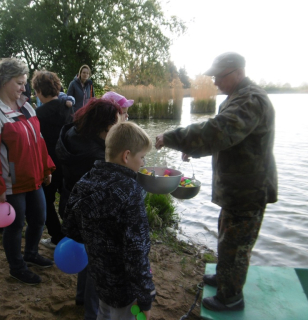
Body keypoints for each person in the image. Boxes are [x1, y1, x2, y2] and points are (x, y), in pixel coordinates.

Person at [155, 52, 278, 312]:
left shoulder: (250, 100)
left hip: (249, 190)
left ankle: (231, 297)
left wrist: (172, 137)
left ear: (236, 72)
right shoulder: (237, 97)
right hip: (237, 188)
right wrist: (196, 149)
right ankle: (224, 278)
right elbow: (227, 140)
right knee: (227, 236)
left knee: (236, 246)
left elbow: (219, 130)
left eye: (218, 77)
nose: (214, 83)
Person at [0, 58, 56, 285]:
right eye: (19, 83)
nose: (23, 87)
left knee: (40, 217)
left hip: (34, 178)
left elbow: (39, 141)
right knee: (15, 225)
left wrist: (46, 167)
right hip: (10, 184)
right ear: (3, 81)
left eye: (24, 83)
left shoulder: (26, 106)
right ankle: (16, 267)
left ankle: (30, 254)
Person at [62, 121, 156, 320]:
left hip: (99, 279)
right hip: (125, 290)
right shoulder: (131, 192)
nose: (143, 163)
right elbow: (137, 250)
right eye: (142, 157)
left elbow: (70, 227)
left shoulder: (86, 180)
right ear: (127, 155)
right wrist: (145, 296)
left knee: (103, 314)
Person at [55, 98, 122, 319]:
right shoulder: (95, 154)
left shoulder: (72, 133)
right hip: (91, 212)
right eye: (115, 123)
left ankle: (81, 297)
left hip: (70, 202)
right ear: (103, 124)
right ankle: (91, 313)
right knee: (97, 262)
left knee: (86, 252)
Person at [32, 70, 73, 249]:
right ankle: (71, 234)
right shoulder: (68, 107)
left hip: (49, 163)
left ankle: (57, 236)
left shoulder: (39, 113)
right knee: (67, 199)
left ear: (39, 91)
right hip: (68, 161)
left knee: (46, 201)